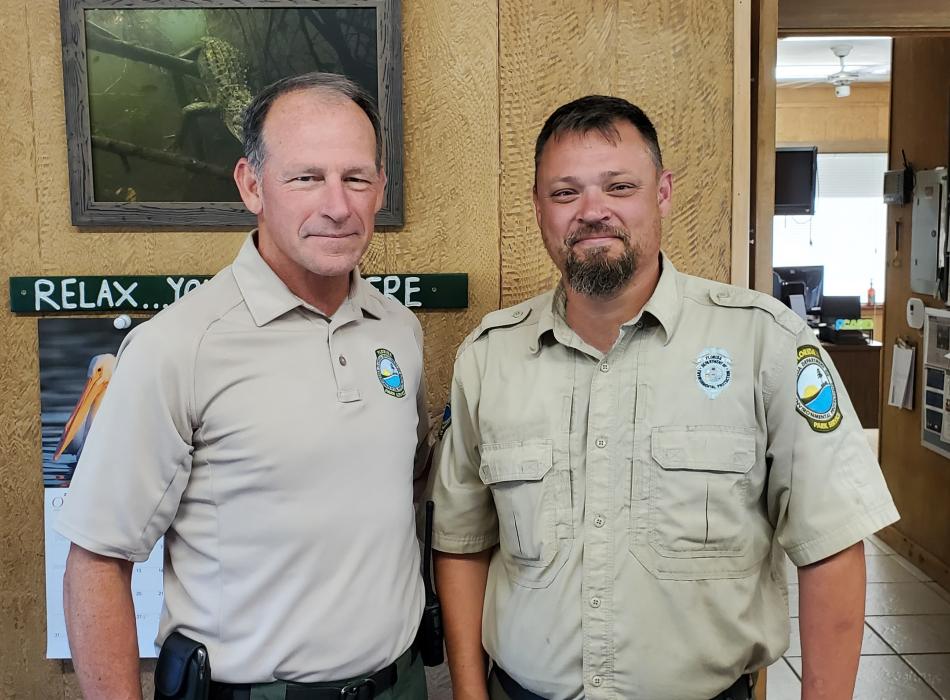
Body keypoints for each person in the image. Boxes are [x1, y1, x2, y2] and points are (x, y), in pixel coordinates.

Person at [429, 95, 899, 700]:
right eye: (565, 193)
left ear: (663, 193)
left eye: (619, 186)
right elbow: (463, 543)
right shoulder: (488, 359)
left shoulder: (766, 345)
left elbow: (831, 545)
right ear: (539, 208)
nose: (592, 212)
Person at [57, 72, 430, 700]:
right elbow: (96, 562)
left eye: (356, 178)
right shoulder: (178, 346)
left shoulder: (398, 330)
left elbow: (407, 486)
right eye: (306, 177)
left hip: (401, 684)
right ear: (252, 185)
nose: (337, 205)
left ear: (379, 189)